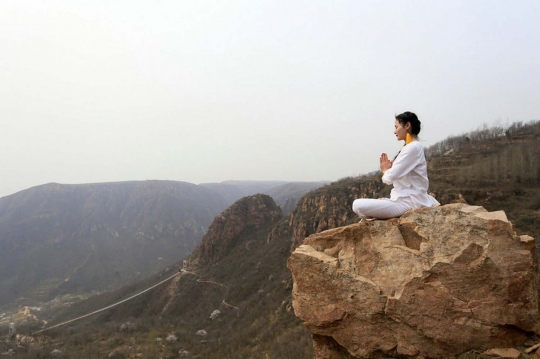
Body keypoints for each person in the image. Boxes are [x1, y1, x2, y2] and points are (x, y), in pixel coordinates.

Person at [352, 111, 439, 220]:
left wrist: (385, 170)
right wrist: (391, 168)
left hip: (408, 202)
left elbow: (389, 178)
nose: (394, 131)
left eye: (396, 126)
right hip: (403, 199)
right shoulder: (411, 148)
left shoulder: (413, 147)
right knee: (367, 204)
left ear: (407, 126)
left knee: (357, 205)